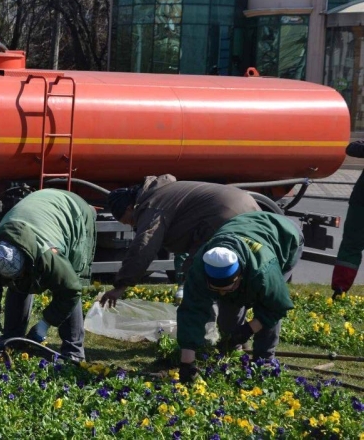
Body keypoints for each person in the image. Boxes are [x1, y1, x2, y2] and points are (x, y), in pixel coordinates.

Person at [176, 212, 303, 383]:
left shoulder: (265, 270)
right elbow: (192, 311)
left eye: (229, 287)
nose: (221, 293)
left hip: (285, 235)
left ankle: (264, 361)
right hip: (243, 226)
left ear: (240, 276)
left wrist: (250, 328)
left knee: (264, 302)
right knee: (229, 304)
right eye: (216, 289)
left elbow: (275, 307)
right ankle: (234, 349)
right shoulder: (199, 268)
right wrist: (187, 363)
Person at [98, 175, 260, 308]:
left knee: (197, 281)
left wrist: (121, 286)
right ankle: (237, 335)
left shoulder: (152, 205)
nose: (133, 226)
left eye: (129, 221)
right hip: (248, 205)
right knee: (241, 274)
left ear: (129, 208)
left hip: (223, 217)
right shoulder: (163, 194)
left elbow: (144, 245)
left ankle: (198, 338)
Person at [0, 189, 97, 362]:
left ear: (26, 259)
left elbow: (70, 290)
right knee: (19, 285)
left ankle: (74, 351)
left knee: (69, 280)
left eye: (19, 273)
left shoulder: (47, 253)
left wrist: (44, 324)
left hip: (73, 212)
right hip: (38, 211)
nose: (15, 279)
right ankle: (13, 341)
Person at [332, 140, 364, 298]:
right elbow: (352, 148)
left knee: (351, 246)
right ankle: (340, 289)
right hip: (361, 203)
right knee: (351, 245)